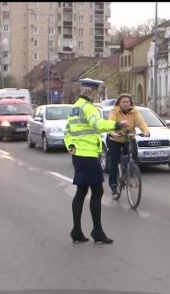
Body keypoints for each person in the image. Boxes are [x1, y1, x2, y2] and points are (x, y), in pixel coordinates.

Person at [64, 78, 128, 244]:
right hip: (89, 155)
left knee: (81, 192)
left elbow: (68, 131)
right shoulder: (89, 108)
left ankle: (76, 230)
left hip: (78, 156)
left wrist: (70, 145)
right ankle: (97, 231)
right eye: (96, 91)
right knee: (97, 192)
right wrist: (116, 125)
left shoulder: (75, 107)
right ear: (90, 92)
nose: (97, 94)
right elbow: (97, 124)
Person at [106, 93, 150, 195]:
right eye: (123, 102)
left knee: (133, 157)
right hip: (115, 139)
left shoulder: (134, 112)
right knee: (114, 161)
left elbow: (141, 122)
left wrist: (146, 131)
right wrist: (112, 133)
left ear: (131, 103)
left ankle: (129, 172)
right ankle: (113, 185)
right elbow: (110, 123)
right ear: (119, 103)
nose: (126, 104)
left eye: (128, 102)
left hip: (129, 138)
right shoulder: (115, 111)